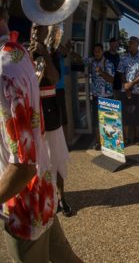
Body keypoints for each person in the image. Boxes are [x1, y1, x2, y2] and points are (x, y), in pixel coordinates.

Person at [0, 0, 80, 261]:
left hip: (23, 200)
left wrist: (44, 54)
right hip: (39, 190)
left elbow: (22, 166)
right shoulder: (18, 53)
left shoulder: (6, 65)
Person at [29, 24, 73, 218]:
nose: (36, 33)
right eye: (34, 29)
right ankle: (43, 196)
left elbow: (54, 78)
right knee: (37, 157)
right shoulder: (23, 52)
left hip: (50, 109)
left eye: (40, 29)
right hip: (32, 110)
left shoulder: (52, 52)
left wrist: (45, 54)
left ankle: (62, 198)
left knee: (56, 155)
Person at [117, 36, 139, 145]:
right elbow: (120, 72)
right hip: (125, 90)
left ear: (137, 44)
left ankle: (136, 137)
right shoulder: (124, 57)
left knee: (137, 115)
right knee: (125, 115)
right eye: (129, 43)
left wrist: (132, 83)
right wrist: (125, 85)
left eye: (132, 43)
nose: (129, 45)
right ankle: (126, 138)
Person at [87, 43, 115, 150]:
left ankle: (108, 143)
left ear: (102, 51)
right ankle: (98, 142)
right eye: (95, 51)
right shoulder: (92, 61)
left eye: (99, 51)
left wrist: (101, 72)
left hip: (107, 96)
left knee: (108, 120)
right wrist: (69, 51)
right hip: (96, 96)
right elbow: (80, 59)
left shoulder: (108, 63)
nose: (97, 53)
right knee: (96, 121)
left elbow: (112, 80)